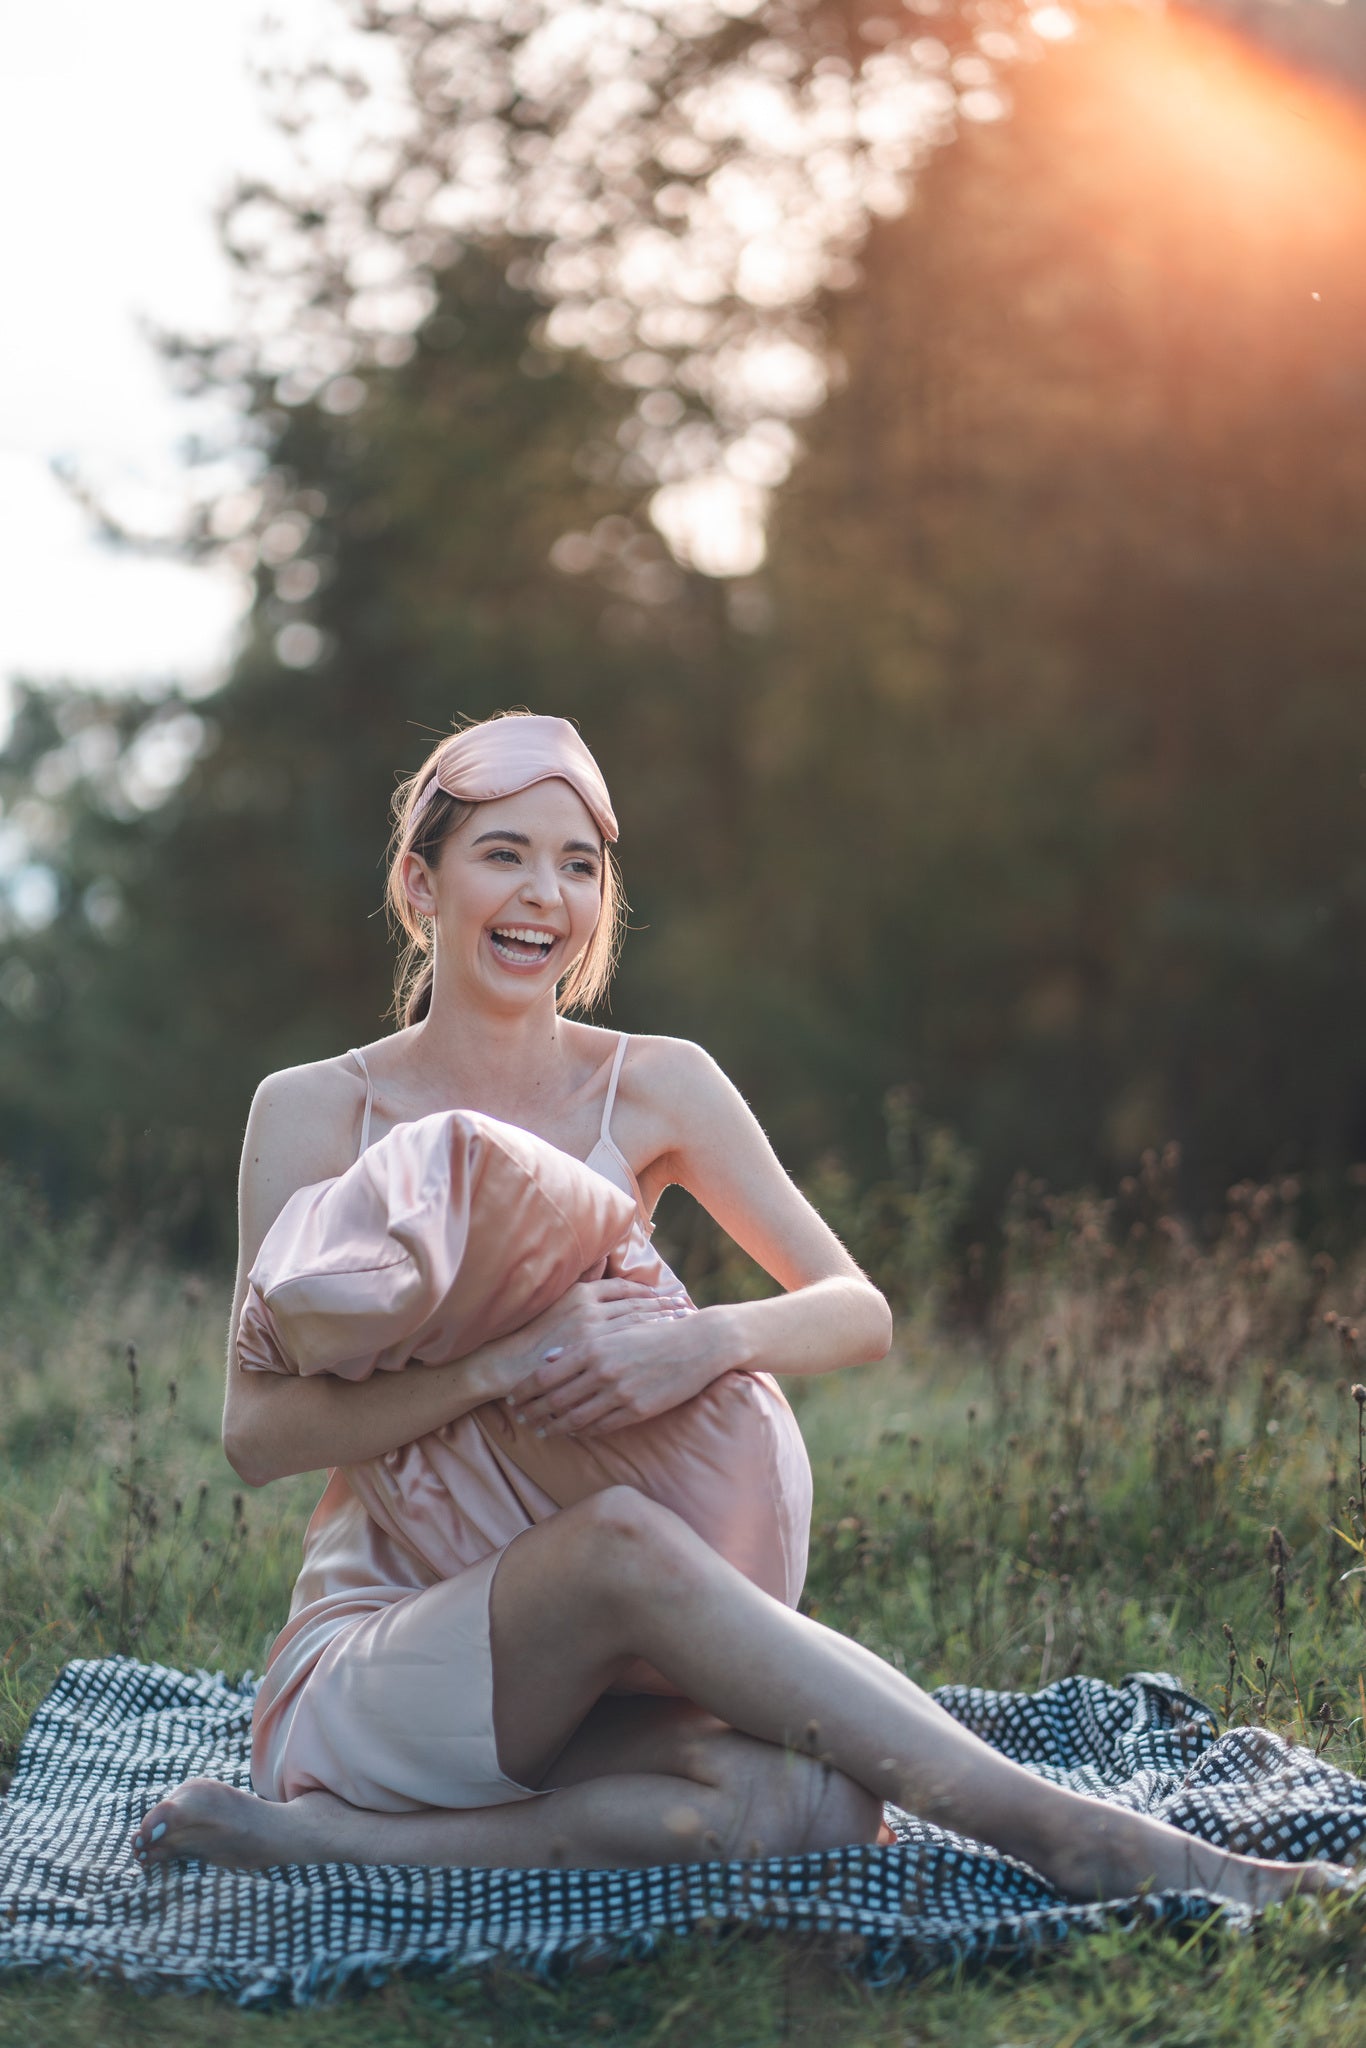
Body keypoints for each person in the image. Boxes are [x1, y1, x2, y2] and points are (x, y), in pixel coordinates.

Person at [133, 714, 1354, 1909]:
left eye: (578, 864)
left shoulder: (657, 1082)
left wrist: (696, 1340)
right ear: (421, 880)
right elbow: (257, 1435)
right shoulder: (311, 1109)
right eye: (502, 852)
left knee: (821, 1812)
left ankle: (330, 1849)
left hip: (608, 1672)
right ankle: (1079, 1836)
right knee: (617, 1539)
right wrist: (506, 1363)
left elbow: (855, 1308)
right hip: (393, 1650)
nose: (543, 896)